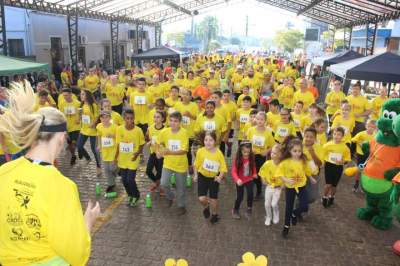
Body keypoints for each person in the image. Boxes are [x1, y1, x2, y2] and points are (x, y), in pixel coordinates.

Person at [0, 85, 100, 265]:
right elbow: (76, 255)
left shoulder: (4, 172)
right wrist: (88, 222)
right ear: (61, 137)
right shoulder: (62, 187)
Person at [275, 137, 311, 238]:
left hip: (301, 186)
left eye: (299, 151)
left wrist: (311, 178)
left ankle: (294, 214)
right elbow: (279, 173)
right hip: (290, 187)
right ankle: (286, 226)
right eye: (295, 151)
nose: (297, 153)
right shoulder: (285, 162)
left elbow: (306, 170)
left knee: (305, 206)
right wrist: (286, 180)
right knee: (288, 207)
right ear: (290, 150)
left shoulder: (303, 160)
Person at [157, 112, 189, 216]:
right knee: (164, 183)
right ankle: (170, 197)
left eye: (175, 121)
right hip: (168, 164)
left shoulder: (184, 132)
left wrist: (168, 152)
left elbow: (184, 151)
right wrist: (158, 151)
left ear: (180, 122)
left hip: (180, 165)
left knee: (181, 188)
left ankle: (181, 205)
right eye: (171, 120)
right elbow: (158, 143)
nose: (173, 123)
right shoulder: (165, 132)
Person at [193, 131, 227, 224]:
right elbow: (196, 165)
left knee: (213, 199)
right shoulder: (200, 151)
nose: (208, 142)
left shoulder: (219, 153)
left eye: (211, 140)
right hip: (202, 176)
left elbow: (223, 168)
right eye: (206, 140)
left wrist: (220, 177)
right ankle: (206, 206)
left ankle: (215, 214)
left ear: (215, 141)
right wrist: (195, 175)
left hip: (214, 178)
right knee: (201, 198)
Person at [115, 109, 145, 207]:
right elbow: (118, 144)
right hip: (122, 159)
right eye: (127, 118)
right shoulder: (119, 129)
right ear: (124, 119)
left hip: (133, 158)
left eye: (131, 118)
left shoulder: (138, 130)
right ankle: (130, 195)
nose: (129, 120)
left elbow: (141, 144)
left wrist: (137, 154)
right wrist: (115, 157)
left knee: (130, 179)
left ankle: (136, 195)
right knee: (124, 179)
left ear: (134, 119)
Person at [246, 111, 275, 200]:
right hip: (251, 155)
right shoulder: (251, 130)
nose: (259, 121)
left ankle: (259, 192)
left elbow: (273, 145)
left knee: (258, 174)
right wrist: (249, 150)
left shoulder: (268, 133)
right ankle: (250, 188)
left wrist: (266, 151)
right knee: (250, 172)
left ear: (265, 121)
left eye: (261, 119)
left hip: (261, 156)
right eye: (258, 119)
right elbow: (247, 142)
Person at [322, 127, 351, 207]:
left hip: (338, 167)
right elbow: (322, 155)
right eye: (334, 134)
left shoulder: (345, 147)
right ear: (332, 135)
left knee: (334, 185)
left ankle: (332, 196)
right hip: (329, 166)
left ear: (342, 136)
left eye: (339, 135)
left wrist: (343, 161)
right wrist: (323, 162)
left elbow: (347, 159)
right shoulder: (327, 145)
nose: (336, 136)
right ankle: (324, 197)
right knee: (328, 184)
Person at [231, 141, 257, 220]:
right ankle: (235, 209)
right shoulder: (237, 159)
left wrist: (254, 173)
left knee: (250, 194)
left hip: (249, 179)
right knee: (240, 197)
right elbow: (233, 171)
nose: (246, 154)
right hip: (240, 181)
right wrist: (237, 179)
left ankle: (249, 208)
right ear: (240, 151)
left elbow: (253, 167)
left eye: (248, 152)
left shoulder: (251, 157)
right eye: (244, 152)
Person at [77, 90, 101, 174]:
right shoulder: (82, 105)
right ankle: (87, 158)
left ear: (87, 95)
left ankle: (98, 166)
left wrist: (93, 123)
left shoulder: (93, 105)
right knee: (79, 146)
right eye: (81, 94)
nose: (81, 96)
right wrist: (79, 116)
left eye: (83, 94)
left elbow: (97, 116)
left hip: (93, 130)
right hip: (84, 129)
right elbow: (81, 118)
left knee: (94, 149)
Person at [259, 144, 283, 226]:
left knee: (274, 204)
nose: (272, 155)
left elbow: (286, 176)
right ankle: (269, 217)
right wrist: (263, 180)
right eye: (272, 152)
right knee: (267, 204)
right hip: (269, 187)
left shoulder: (283, 165)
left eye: (275, 153)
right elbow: (261, 173)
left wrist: (284, 185)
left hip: (278, 188)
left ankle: (276, 213)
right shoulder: (267, 163)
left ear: (280, 155)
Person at [351, 119, 376, 192]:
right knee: (359, 169)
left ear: (375, 128)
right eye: (369, 126)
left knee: (366, 171)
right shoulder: (361, 134)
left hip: (369, 156)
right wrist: (360, 143)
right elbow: (353, 140)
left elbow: (376, 145)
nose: (370, 128)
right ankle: (356, 184)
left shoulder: (375, 136)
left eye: (372, 127)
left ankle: (363, 185)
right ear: (366, 126)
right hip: (361, 154)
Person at [96, 111, 118, 193]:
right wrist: (99, 145)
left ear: (110, 118)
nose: (104, 119)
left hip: (113, 150)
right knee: (106, 169)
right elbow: (99, 136)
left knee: (112, 168)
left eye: (106, 117)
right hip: (105, 150)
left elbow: (119, 137)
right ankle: (111, 184)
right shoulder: (99, 126)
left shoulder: (115, 127)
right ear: (100, 118)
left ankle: (118, 171)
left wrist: (113, 136)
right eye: (102, 117)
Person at [58, 88, 81, 165]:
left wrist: (79, 119)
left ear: (71, 95)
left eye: (66, 95)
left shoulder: (77, 103)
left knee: (74, 143)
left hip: (76, 126)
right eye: (64, 96)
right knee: (70, 144)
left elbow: (81, 114)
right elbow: (61, 116)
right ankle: (73, 155)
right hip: (67, 127)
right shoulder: (62, 103)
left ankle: (77, 152)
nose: (65, 97)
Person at [146, 110, 166, 194]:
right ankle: (156, 183)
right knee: (148, 171)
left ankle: (161, 187)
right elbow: (148, 141)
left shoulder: (166, 130)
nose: (156, 119)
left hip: (162, 155)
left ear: (162, 119)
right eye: (154, 117)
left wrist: (161, 143)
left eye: (158, 117)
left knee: (159, 172)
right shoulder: (150, 128)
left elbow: (167, 143)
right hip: (153, 153)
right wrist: (149, 143)